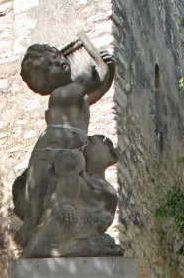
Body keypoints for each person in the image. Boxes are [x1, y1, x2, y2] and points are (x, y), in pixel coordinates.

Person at [16, 43, 115, 248]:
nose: (60, 62)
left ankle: (66, 207)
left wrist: (109, 70)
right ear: (45, 84)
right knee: (35, 190)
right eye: (51, 66)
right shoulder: (60, 95)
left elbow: (97, 88)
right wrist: (90, 66)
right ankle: (29, 227)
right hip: (48, 150)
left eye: (58, 58)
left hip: (70, 151)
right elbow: (86, 82)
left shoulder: (79, 99)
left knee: (70, 165)